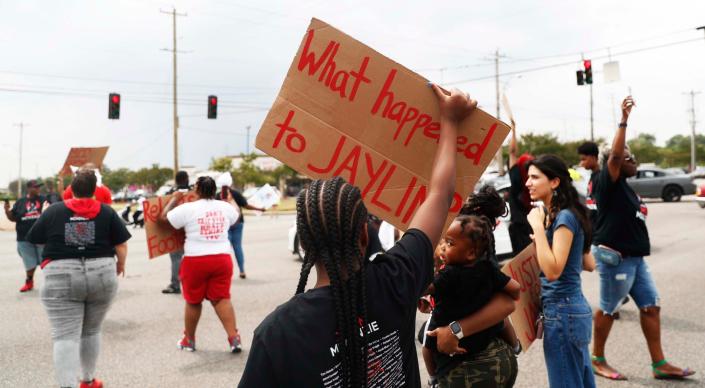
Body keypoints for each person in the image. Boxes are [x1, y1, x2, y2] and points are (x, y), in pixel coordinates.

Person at [239, 86, 516, 387]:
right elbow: (440, 195)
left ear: (305, 244)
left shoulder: (277, 334)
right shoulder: (396, 279)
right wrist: (449, 121)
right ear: (363, 234)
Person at [590, 96, 695, 381]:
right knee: (609, 309)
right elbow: (613, 156)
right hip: (616, 257)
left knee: (650, 307)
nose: (632, 160)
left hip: (635, 259)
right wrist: (624, 120)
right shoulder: (606, 182)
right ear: (614, 162)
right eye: (627, 157)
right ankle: (597, 358)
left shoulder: (625, 186)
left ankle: (659, 363)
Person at [25, 170, 130, 388]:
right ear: (95, 190)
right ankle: (88, 380)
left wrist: (49, 218)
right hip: (102, 272)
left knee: (65, 336)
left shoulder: (54, 210)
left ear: (71, 189)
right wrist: (120, 265)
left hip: (60, 274)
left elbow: (35, 238)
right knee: (91, 330)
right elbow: (121, 244)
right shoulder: (107, 212)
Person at [421, 213, 521, 388]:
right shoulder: (489, 268)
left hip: (454, 351)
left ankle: (433, 379)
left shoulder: (449, 274)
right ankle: (515, 346)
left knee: (426, 347)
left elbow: (426, 287)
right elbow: (514, 290)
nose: (443, 247)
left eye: (450, 243)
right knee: (502, 322)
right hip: (495, 350)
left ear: (471, 253)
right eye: (444, 241)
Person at [525, 154, 597, 388]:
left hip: (563, 312)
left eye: (535, 177)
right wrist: (543, 241)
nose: (528, 183)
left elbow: (554, 270)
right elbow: (589, 263)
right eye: (528, 177)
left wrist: (537, 227)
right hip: (571, 310)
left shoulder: (564, 216)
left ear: (554, 182)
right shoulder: (569, 214)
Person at [160, 176, 243, 353]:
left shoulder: (187, 208)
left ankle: (189, 340)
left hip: (195, 260)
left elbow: (163, 218)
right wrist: (231, 200)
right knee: (222, 298)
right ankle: (234, 338)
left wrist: (174, 198)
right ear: (214, 190)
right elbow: (236, 217)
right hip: (222, 259)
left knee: (193, 301)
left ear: (196, 190)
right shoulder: (225, 207)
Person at [218, 178, 266, 279]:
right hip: (238, 223)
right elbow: (246, 205)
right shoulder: (235, 193)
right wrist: (260, 209)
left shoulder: (218, 195)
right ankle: (242, 271)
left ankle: (225, 273)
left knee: (225, 249)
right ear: (230, 183)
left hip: (224, 225)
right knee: (238, 247)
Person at [4, 179, 45, 292]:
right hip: (24, 238)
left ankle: (50, 283)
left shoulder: (44, 200)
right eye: (35, 187)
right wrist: (7, 211)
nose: (37, 189)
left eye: (38, 187)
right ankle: (29, 282)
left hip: (42, 238)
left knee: (46, 262)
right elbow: (13, 218)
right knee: (29, 262)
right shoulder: (20, 202)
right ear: (29, 188)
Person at [507, 118, 534, 255]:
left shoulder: (516, 177)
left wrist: (513, 130)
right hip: (531, 224)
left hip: (518, 225)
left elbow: (512, 152)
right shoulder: (533, 183)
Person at [163, 170, 191, 294]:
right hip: (192, 229)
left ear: (176, 180)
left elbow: (163, 210)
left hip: (175, 229)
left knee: (176, 258)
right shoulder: (194, 192)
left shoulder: (171, 193)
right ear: (187, 179)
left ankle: (175, 284)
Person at [577, 141, 600, 226]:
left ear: (593, 157)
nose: (581, 163)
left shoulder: (600, 178)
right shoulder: (592, 177)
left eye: (584, 159)